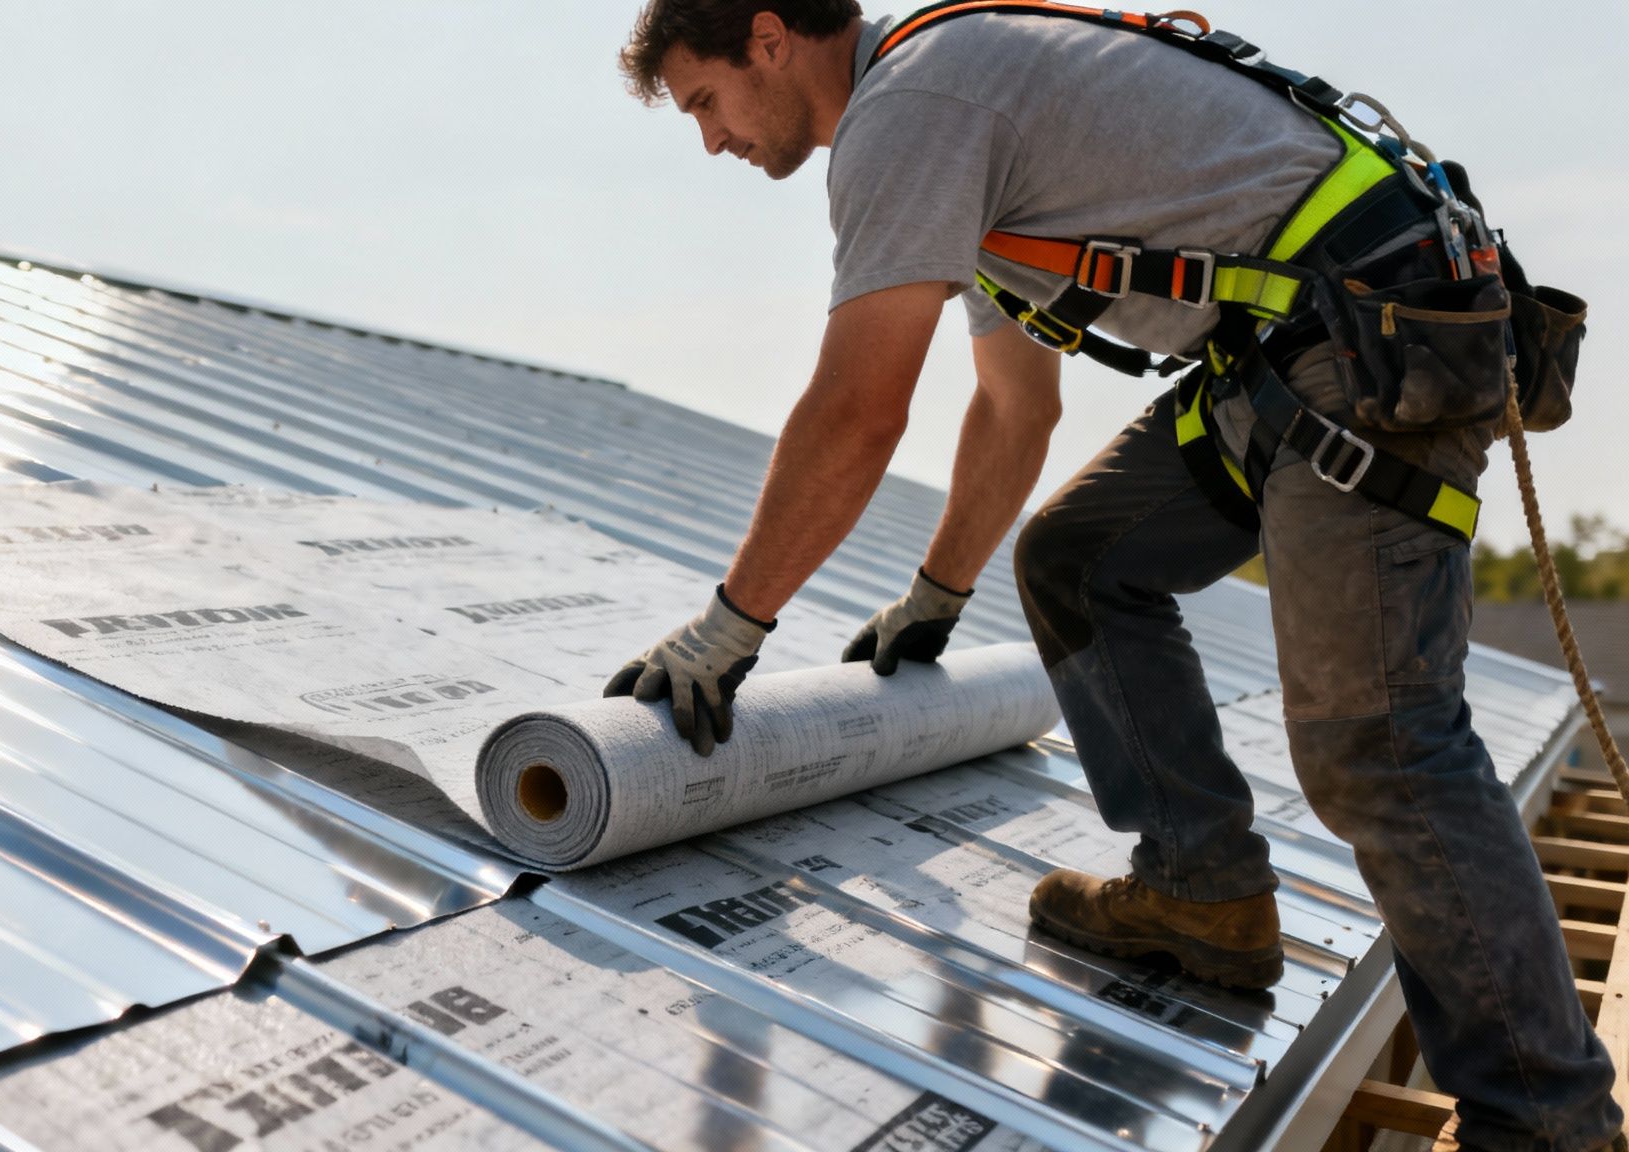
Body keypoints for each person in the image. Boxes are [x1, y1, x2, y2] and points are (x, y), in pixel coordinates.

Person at [602, 3, 1622, 1149]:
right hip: (1291, 351)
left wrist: (728, 627)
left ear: (769, 37)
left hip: (1366, 341)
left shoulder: (910, 110)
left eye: (704, 101)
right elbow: (1012, 406)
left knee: (1378, 740)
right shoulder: (948, 117)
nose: (711, 141)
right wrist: (938, 595)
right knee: (1074, 559)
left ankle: (1546, 1123)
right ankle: (1204, 892)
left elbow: (854, 411)